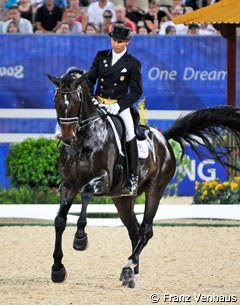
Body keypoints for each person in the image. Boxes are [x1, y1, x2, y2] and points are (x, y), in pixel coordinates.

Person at [87, 25, 142, 196]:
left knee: (130, 133)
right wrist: (91, 98)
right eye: (113, 40)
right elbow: (90, 79)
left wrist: (118, 105)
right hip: (98, 102)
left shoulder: (132, 63)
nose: (116, 44)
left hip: (118, 105)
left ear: (127, 42)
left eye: (119, 41)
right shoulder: (101, 56)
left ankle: (133, 177)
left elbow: (136, 91)